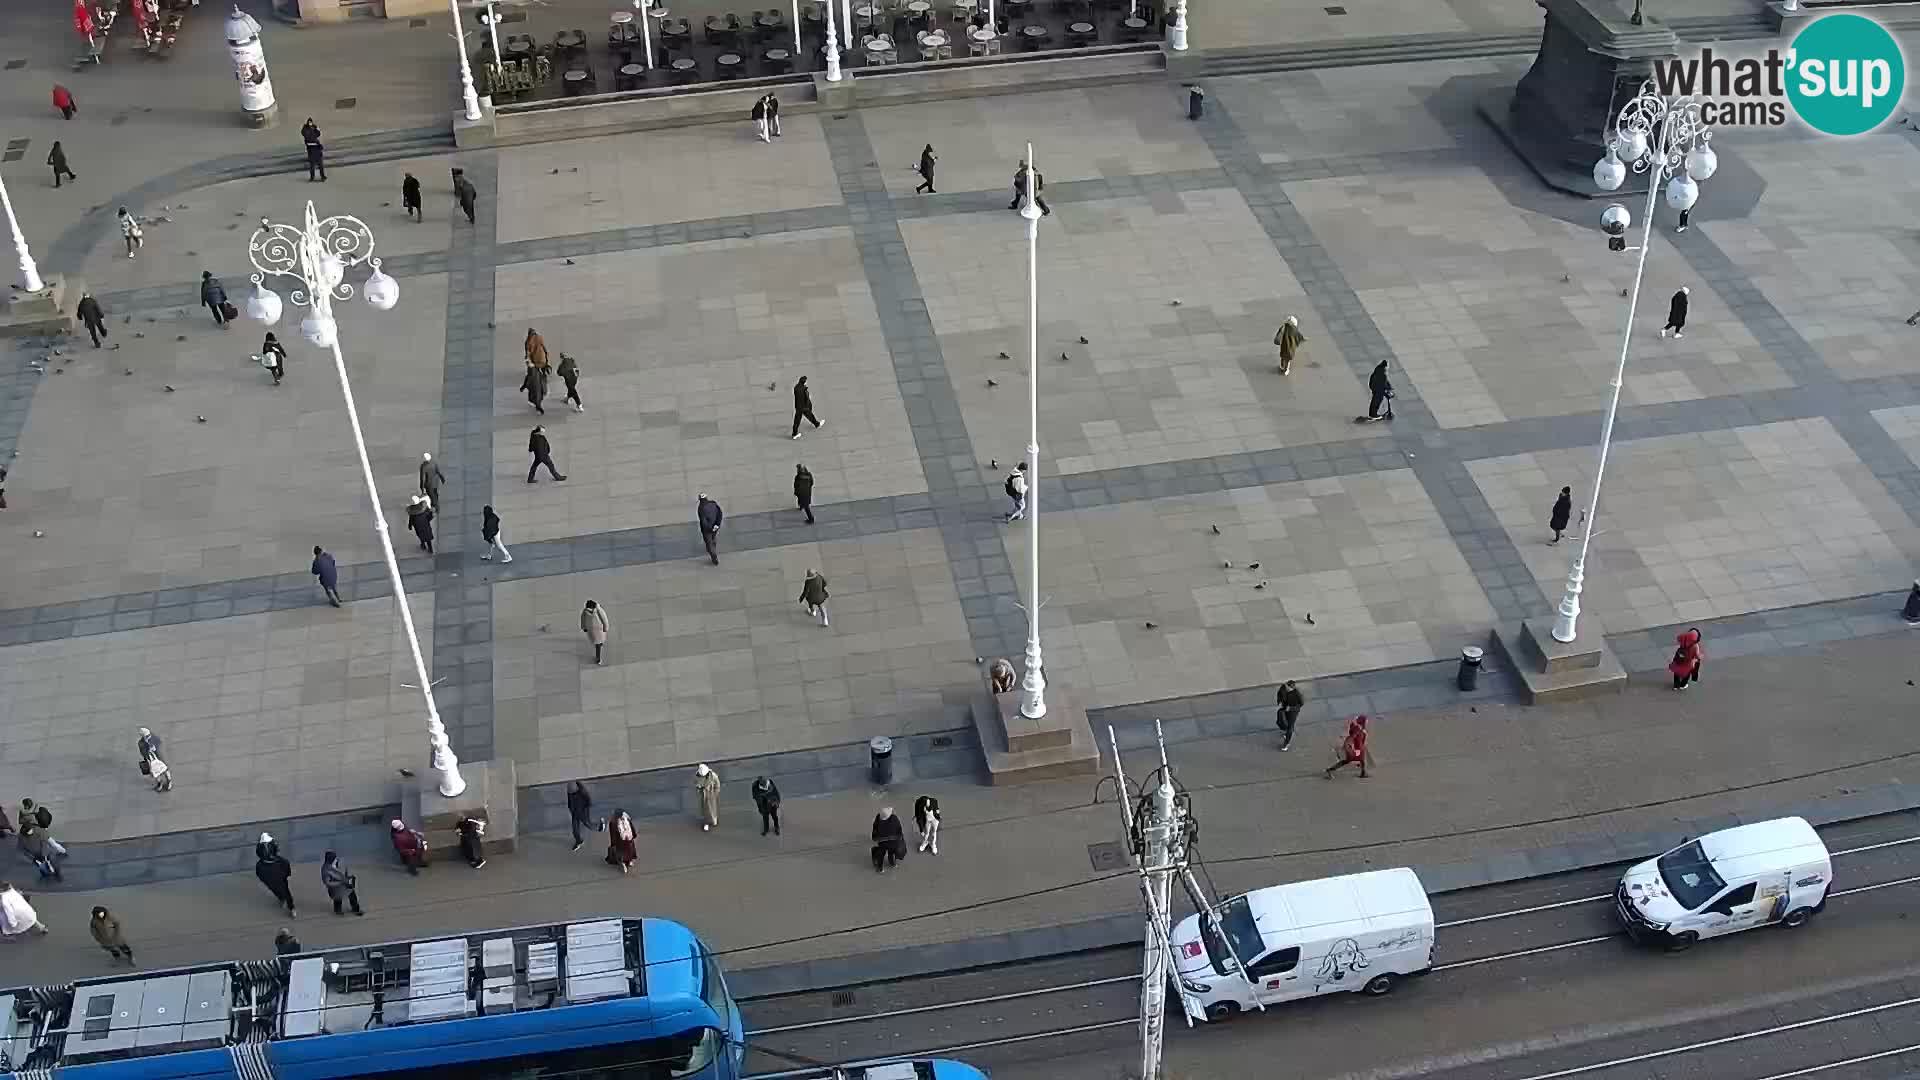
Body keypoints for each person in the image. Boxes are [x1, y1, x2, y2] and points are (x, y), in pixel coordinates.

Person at [1323, 714, 1372, 779]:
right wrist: (1348, 746)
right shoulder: (1358, 729)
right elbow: (1352, 737)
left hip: (1358, 748)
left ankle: (1363, 773)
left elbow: (1358, 738)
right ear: (1362, 722)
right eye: (1366, 722)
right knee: (1349, 761)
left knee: (1360, 760)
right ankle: (1330, 770)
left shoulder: (1360, 729)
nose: (1367, 723)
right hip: (1355, 748)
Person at [255, 845, 297, 915]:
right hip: (271, 883)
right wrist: (265, 881)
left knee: (286, 893)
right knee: (276, 891)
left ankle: (291, 908)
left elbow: (286, 865)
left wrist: (287, 875)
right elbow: (259, 874)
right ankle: (282, 899)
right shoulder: (260, 865)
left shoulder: (279, 860)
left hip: (281, 881)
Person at [320, 851, 364, 916]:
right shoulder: (326, 870)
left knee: (349, 893)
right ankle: (348, 910)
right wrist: (340, 883)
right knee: (345, 894)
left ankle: (347, 909)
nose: (336, 859)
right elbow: (328, 883)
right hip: (335, 889)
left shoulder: (332, 865)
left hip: (340, 886)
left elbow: (339, 874)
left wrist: (347, 878)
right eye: (335, 858)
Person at [871, 807, 906, 872]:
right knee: (891, 852)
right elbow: (899, 831)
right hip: (893, 842)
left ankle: (880, 868)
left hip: (882, 843)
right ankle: (892, 863)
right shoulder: (894, 818)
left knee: (881, 854)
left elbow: (874, 832)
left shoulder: (878, 819)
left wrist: (875, 838)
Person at [137, 726, 172, 792]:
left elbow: (158, 742)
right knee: (155, 772)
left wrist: (154, 747)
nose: (149, 736)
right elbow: (143, 753)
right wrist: (148, 749)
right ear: (143, 736)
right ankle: (160, 783)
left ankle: (169, 782)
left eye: (149, 735)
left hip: (158, 757)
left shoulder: (152, 737)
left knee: (165, 769)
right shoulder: (141, 743)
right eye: (147, 736)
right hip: (151, 760)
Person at [566, 780, 596, 850]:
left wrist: (586, 809)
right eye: (570, 793)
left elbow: (588, 800)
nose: (571, 794)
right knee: (575, 830)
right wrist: (570, 809)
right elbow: (569, 801)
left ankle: (600, 826)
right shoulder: (570, 792)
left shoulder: (582, 792)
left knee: (588, 824)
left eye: (573, 792)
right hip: (574, 812)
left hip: (582, 811)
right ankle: (579, 841)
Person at [1275, 679, 1304, 751]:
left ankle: (1286, 743)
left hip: (1293, 711)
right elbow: (1279, 694)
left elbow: (1301, 703)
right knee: (1284, 720)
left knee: (1290, 726)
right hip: (1285, 708)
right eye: (1288, 687)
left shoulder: (1297, 693)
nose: (1288, 689)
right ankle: (1287, 731)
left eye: (1290, 689)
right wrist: (1279, 702)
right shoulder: (1284, 688)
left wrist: (1291, 708)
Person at [580, 599, 611, 665]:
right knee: (597, 643)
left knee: (598, 644)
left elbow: (604, 619)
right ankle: (598, 652)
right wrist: (584, 627)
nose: (589, 610)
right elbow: (582, 620)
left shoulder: (599, 610)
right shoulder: (585, 612)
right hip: (592, 630)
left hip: (599, 630)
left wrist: (605, 627)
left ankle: (598, 658)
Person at [697, 493, 723, 565]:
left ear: (700, 500)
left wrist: (709, 528)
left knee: (709, 542)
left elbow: (703, 521)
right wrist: (717, 524)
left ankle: (713, 555)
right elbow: (720, 513)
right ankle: (713, 547)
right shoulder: (714, 504)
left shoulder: (701, 508)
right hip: (715, 526)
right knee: (713, 537)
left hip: (707, 530)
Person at [694, 764, 719, 831]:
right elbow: (696, 784)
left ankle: (714, 820)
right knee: (705, 809)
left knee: (712, 808)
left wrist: (715, 793)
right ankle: (706, 822)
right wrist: (699, 789)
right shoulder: (697, 776)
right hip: (704, 795)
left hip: (711, 794)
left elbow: (717, 785)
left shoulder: (713, 776)